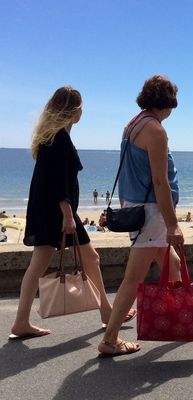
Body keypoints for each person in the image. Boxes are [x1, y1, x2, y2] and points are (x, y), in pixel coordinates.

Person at [98, 75, 193, 357]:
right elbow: (159, 181)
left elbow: (131, 172)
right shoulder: (155, 130)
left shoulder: (132, 125)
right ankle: (109, 339)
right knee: (134, 277)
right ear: (168, 103)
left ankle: (188, 312)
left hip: (136, 206)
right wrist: (173, 224)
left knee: (171, 261)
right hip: (151, 211)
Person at [9, 87, 135, 340]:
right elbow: (58, 183)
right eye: (81, 106)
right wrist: (67, 214)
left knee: (88, 259)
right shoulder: (59, 138)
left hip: (51, 208)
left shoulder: (52, 136)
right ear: (74, 110)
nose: (83, 111)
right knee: (43, 265)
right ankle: (22, 322)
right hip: (57, 211)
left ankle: (105, 311)